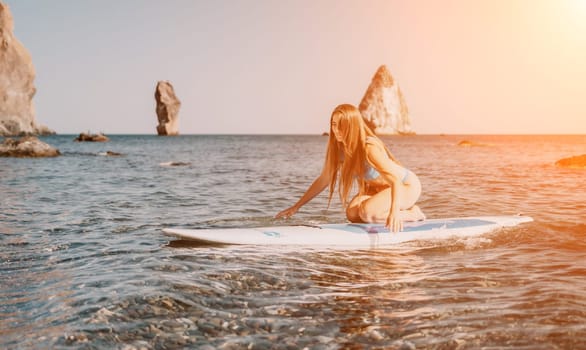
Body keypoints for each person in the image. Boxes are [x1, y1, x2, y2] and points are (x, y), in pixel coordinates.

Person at [275, 103, 425, 232]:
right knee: (352, 214)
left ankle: (413, 213)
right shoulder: (339, 151)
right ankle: (380, 214)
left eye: (342, 126)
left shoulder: (369, 147)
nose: (336, 130)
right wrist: (296, 207)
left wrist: (394, 212)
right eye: (334, 125)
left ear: (352, 126)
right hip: (378, 190)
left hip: (405, 186)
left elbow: (394, 180)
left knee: (368, 214)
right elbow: (323, 180)